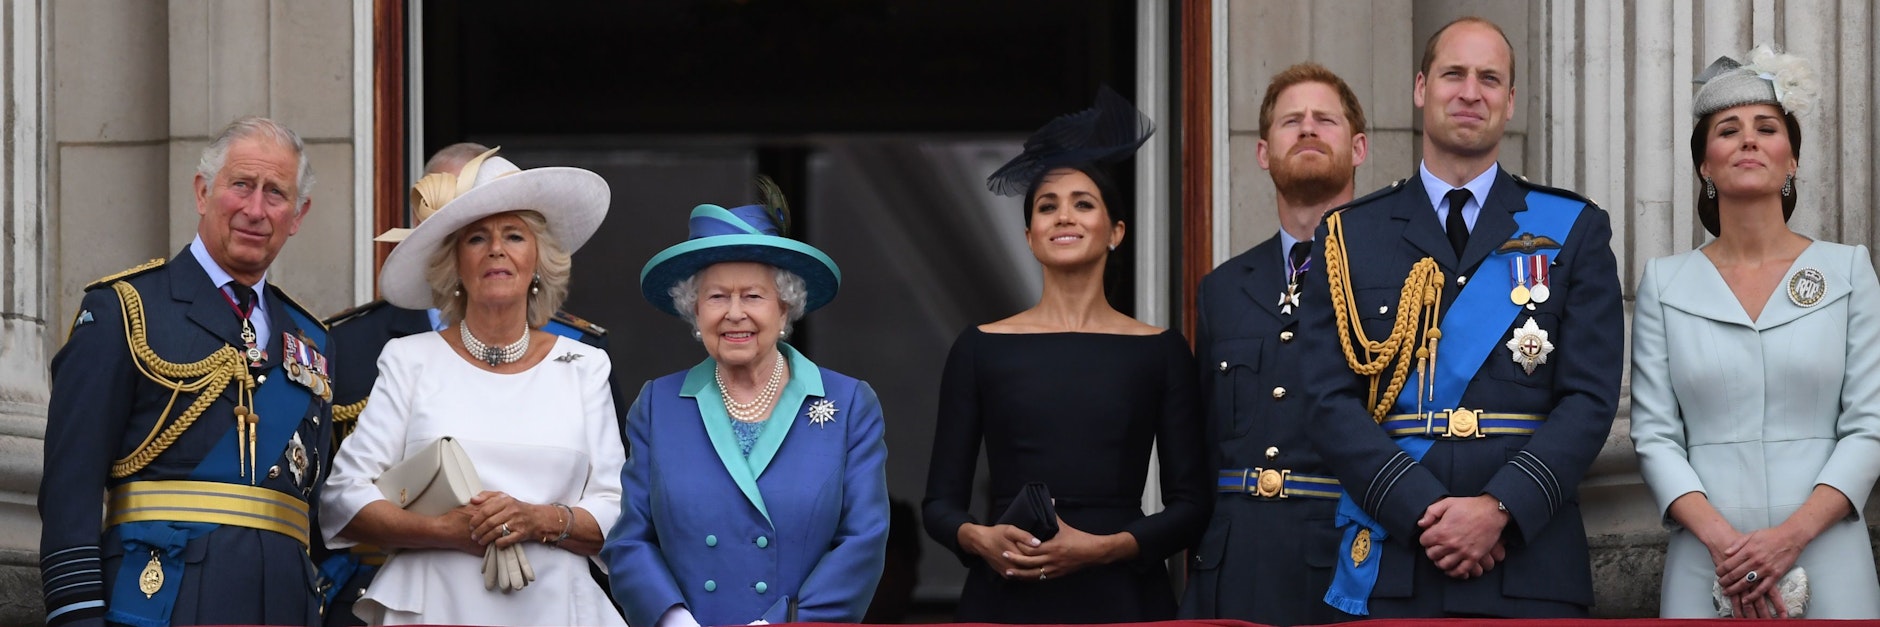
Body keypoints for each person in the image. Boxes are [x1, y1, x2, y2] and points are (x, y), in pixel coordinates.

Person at [1296, 17, 1622, 617]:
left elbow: (1590, 399)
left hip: (1529, 561)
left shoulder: (1572, 228)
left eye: (1489, 78)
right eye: (1454, 74)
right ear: (1422, 88)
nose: (1471, 92)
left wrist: (1499, 508)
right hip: (1397, 557)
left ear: (1509, 101)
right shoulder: (1349, 234)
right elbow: (1325, 400)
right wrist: (1423, 509)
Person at [921, 87, 1211, 623]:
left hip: (1123, 597)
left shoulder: (1161, 350)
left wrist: (1104, 547)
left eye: (1083, 203)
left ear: (1116, 232)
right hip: (1007, 592)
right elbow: (939, 505)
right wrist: (978, 537)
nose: (1063, 216)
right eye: (1046, 206)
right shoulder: (979, 347)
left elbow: (1192, 506)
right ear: (1030, 236)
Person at [38, 116, 331, 627]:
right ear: (202, 192)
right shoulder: (126, 309)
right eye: (241, 185)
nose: (255, 209)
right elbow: (71, 484)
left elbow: (312, 506)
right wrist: (77, 613)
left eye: (276, 194)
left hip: (285, 604)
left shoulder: (312, 339)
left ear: (298, 214)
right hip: (162, 599)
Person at [317, 151, 624, 626]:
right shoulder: (410, 359)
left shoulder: (585, 365)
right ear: (455, 265)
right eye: (477, 238)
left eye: (514, 236)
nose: (496, 250)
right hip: (434, 606)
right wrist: (444, 530)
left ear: (538, 260)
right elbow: (343, 499)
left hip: (556, 609)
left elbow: (615, 508)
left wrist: (537, 518)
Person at [1630, 46, 1880, 619]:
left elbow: (1868, 426)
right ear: (1704, 164)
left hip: (1828, 549)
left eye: (1767, 128)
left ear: (1791, 159)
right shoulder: (1666, 284)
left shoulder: (1847, 271)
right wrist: (1724, 543)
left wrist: (1789, 536)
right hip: (1706, 557)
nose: (1748, 140)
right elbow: (1654, 434)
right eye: (1727, 130)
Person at [602, 180, 889, 626]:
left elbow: (863, 540)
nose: (735, 313)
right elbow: (630, 540)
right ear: (695, 311)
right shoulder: (659, 405)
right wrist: (673, 620)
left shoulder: (849, 403)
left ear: (784, 309)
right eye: (717, 296)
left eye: (753, 296)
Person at [1182, 62, 1368, 626]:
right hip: (1234, 564)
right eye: (1291, 121)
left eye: (1324, 120)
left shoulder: (1399, 275)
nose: (1307, 129)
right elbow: (1206, 442)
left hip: (1346, 565)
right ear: (1264, 152)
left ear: (1358, 148)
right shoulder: (1222, 289)